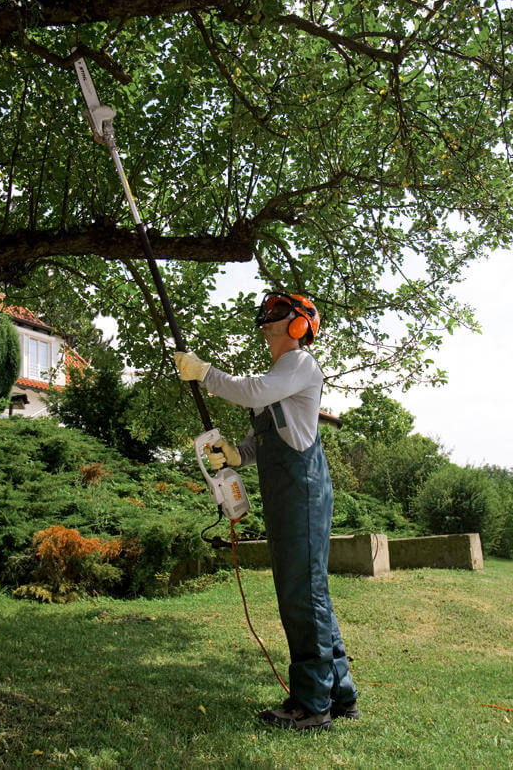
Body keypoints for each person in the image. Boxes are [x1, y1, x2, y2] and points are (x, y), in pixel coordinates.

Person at [173, 292, 359, 732]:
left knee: (302, 593)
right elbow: (270, 435)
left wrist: (205, 373)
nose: (268, 320)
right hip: (286, 495)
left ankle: (312, 704)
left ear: (300, 326)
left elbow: (251, 391)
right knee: (310, 591)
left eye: (280, 314)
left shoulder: (299, 364)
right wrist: (237, 455)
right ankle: (340, 693)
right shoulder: (279, 375)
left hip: (303, 493)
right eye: (269, 313)